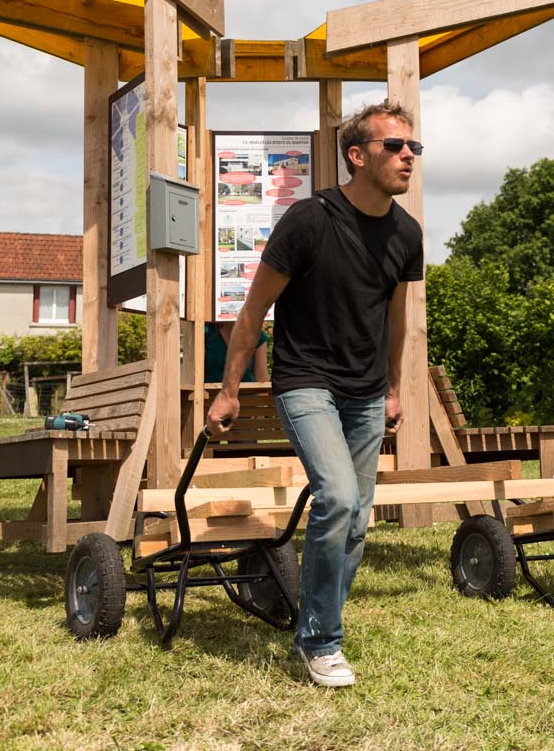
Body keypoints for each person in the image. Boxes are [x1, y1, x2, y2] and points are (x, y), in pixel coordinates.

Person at [207, 101, 424, 688]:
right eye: (394, 146)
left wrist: (394, 389)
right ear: (357, 155)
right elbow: (253, 311)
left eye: (413, 148)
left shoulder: (407, 234)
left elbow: (399, 321)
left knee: (356, 519)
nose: (408, 156)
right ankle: (321, 641)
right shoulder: (309, 220)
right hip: (305, 381)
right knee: (336, 497)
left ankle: (318, 620)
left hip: (365, 392)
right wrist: (230, 391)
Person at [203, 320, 268, 383]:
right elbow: (198, 376)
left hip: (247, 393)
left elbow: (262, 378)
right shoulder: (205, 333)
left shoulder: (255, 334)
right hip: (212, 393)